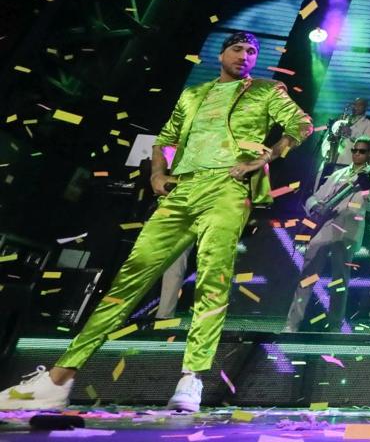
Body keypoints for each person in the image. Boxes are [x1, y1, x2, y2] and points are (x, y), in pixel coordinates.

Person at [0, 32, 312, 412]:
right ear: (221, 53)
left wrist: (265, 159)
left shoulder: (267, 90)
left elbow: (301, 125)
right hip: (182, 191)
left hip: (228, 188)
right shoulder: (193, 95)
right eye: (238, 49)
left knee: (213, 277)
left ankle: (191, 378)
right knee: (129, 278)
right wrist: (156, 174)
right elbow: (166, 138)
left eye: (252, 51)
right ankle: (60, 378)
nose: (245, 56)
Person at [284, 136, 370, 333]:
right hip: (326, 227)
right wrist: (316, 208)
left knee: (340, 280)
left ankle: (334, 326)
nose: (357, 154)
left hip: (348, 231)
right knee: (307, 275)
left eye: (362, 151)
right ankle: (291, 324)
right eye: (355, 150)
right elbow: (315, 197)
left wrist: (366, 190)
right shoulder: (338, 174)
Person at [322, 98, 370, 169]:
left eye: (360, 105)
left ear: (365, 107)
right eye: (354, 104)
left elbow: (368, 144)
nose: (356, 107)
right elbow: (329, 139)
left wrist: (351, 134)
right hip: (331, 160)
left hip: (347, 163)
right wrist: (327, 152)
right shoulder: (342, 121)